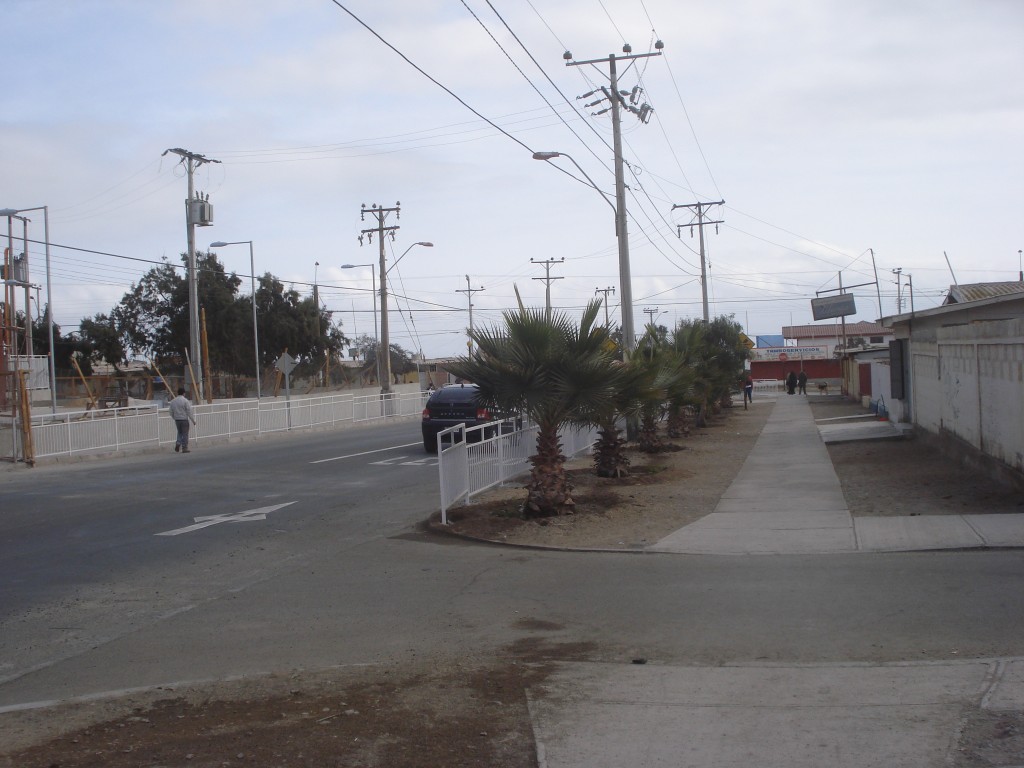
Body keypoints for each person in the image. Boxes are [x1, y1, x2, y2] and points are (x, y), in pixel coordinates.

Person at [168, 387, 196, 453]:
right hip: (184, 419)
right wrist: (193, 420)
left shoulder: (173, 401)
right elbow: (189, 411)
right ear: (184, 393)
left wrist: (174, 417)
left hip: (177, 420)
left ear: (178, 393)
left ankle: (178, 443)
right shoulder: (185, 401)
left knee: (179, 432)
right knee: (185, 433)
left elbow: (170, 411)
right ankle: (184, 448)